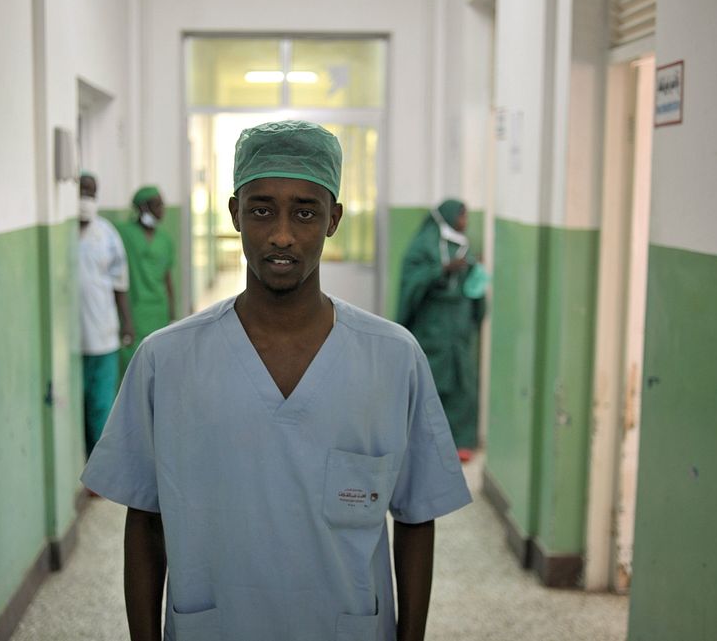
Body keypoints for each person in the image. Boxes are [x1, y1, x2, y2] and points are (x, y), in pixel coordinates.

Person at [82, 120, 471, 641]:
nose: (282, 234)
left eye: (305, 212)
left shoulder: (392, 358)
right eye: (261, 209)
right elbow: (146, 523)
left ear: (333, 219)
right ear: (235, 214)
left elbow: (416, 516)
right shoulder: (166, 362)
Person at [396, 199, 487, 462]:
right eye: (461, 215)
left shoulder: (463, 245)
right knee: (431, 382)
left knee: (463, 384)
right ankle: (423, 441)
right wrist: (441, 270)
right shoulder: (424, 243)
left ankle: (460, 443)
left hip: (458, 328)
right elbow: (411, 279)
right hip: (432, 324)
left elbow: (474, 289)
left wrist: (473, 273)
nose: (465, 221)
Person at [77, 172, 135, 456]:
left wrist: (127, 322)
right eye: (81, 191)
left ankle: (101, 463)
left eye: (91, 192)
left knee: (102, 404)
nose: (85, 199)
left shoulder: (106, 235)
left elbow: (120, 283)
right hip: (72, 342)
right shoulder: (62, 236)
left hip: (103, 334)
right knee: (79, 404)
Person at [116, 185, 176, 374]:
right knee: (132, 370)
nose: (161, 210)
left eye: (162, 205)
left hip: (159, 311)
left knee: (158, 367)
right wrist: (126, 322)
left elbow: (168, 279)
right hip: (134, 313)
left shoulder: (165, 240)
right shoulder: (124, 234)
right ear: (142, 208)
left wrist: (172, 314)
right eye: (156, 205)